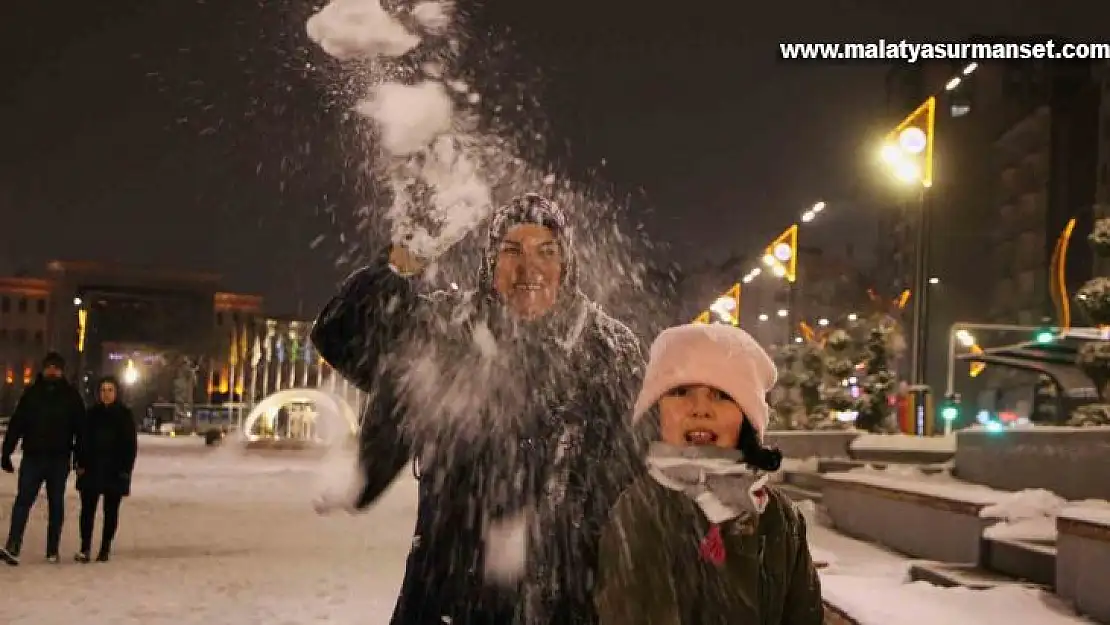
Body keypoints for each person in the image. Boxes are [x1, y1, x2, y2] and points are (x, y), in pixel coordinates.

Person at [311, 193, 644, 625]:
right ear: (490, 262)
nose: (529, 269)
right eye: (512, 251)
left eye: (547, 252)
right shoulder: (448, 329)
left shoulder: (607, 349)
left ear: (568, 264)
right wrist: (399, 263)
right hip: (449, 596)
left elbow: (641, 470)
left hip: (566, 600)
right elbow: (340, 334)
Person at [594, 323, 823, 625]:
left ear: (747, 417)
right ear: (655, 410)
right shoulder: (642, 511)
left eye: (721, 395)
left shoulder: (779, 517)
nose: (700, 409)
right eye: (681, 391)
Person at [0, 351, 86, 565]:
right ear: (44, 368)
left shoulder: (71, 396)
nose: (52, 370)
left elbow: (81, 430)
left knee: (56, 504)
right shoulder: (32, 394)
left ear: (61, 371)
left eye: (56, 367)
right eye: (49, 367)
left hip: (58, 459)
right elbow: (17, 423)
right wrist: (6, 452)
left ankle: (52, 549)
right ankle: (13, 544)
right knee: (23, 501)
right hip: (33, 457)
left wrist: (80, 459)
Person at [74, 375, 138, 563]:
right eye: (103, 390)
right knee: (87, 510)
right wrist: (80, 463)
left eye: (110, 390)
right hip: (92, 468)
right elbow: (81, 441)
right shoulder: (91, 414)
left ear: (116, 393)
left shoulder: (124, 415)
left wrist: (126, 469)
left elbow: (130, 445)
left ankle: (105, 547)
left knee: (111, 511)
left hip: (114, 470)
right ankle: (85, 547)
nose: (106, 394)